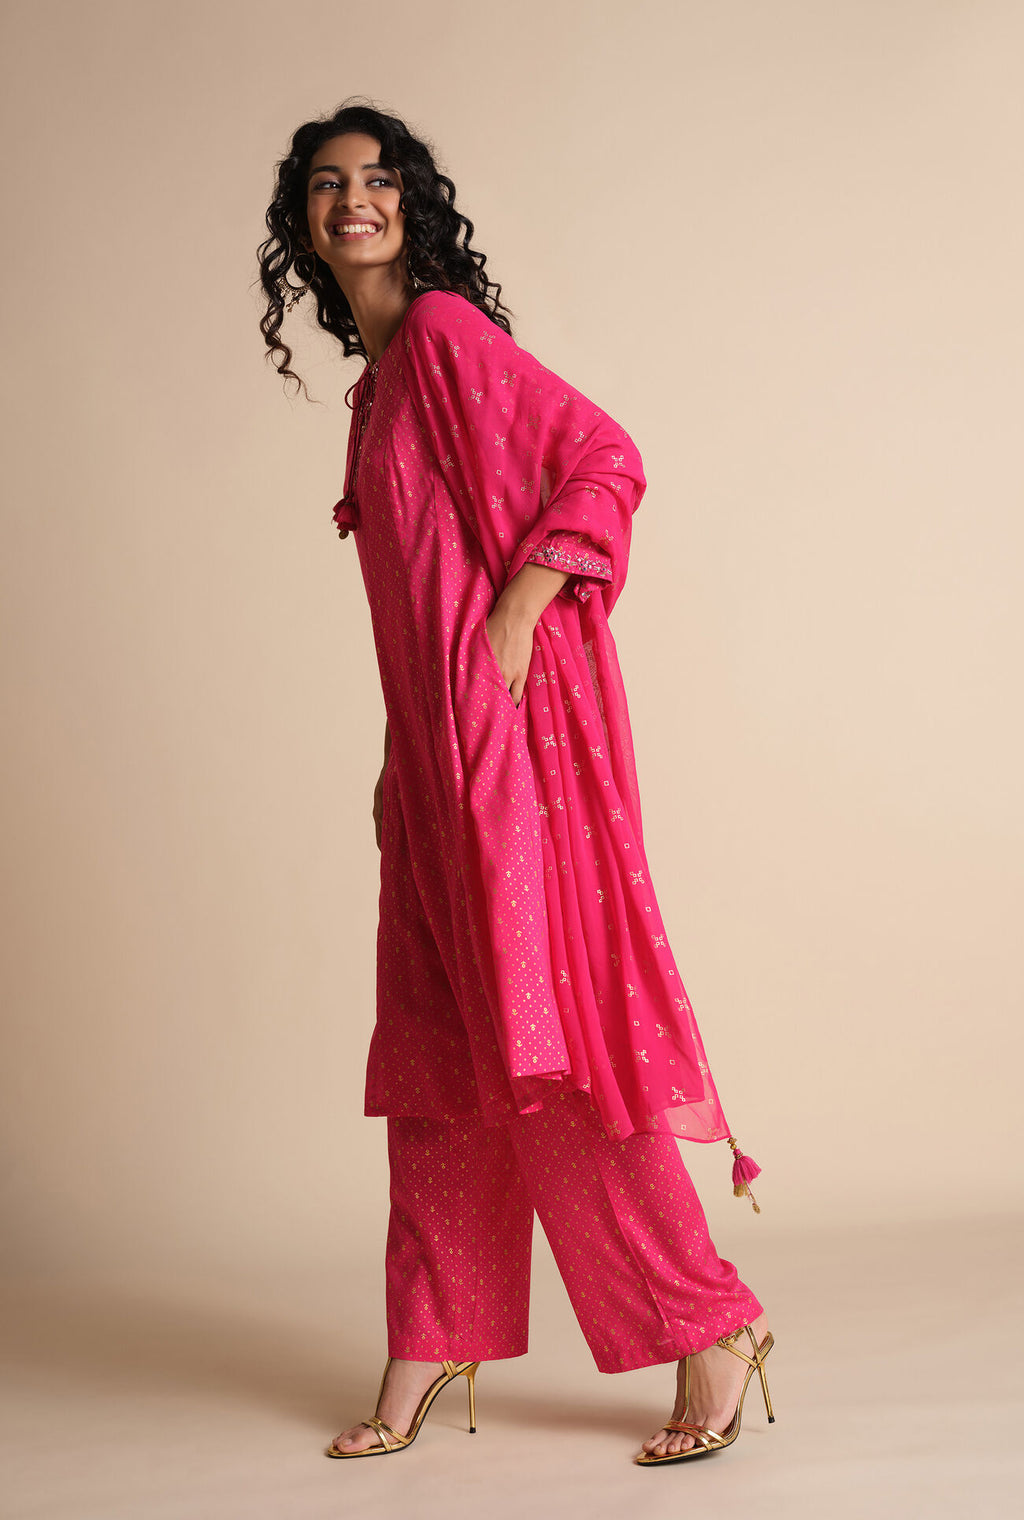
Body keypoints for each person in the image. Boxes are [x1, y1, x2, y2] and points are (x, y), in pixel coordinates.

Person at [257, 101, 775, 1466]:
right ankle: (433, 1335)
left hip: (506, 749)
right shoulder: (377, 390)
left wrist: (512, 622)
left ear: (413, 206)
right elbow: (411, 592)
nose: (354, 199)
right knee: (438, 1054)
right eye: (328, 184)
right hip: (432, 761)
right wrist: (396, 750)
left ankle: (706, 1327)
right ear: (301, 225)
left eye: (378, 179)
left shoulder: (438, 336)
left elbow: (606, 458)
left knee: (543, 1054)